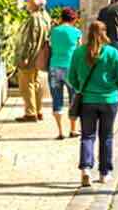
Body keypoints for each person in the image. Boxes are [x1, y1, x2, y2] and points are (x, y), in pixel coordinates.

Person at [66, 21, 118, 188]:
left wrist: (81, 88)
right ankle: (104, 173)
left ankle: (86, 169)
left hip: (87, 100)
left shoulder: (79, 52)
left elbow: (71, 77)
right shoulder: (112, 52)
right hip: (109, 100)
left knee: (87, 136)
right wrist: (114, 88)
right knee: (106, 136)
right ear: (104, 33)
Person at [13, 0, 51, 122]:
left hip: (31, 55)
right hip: (39, 56)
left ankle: (30, 113)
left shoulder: (34, 18)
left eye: (28, 1)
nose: (27, 3)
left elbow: (30, 39)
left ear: (35, 4)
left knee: (26, 83)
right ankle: (38, 110)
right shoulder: (46, 17)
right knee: (36, 83)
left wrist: (24, 56)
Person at [48, 8, 83, 139]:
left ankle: (60, 131)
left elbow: (51, 46)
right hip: (71, 68)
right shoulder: (76, 32)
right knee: (74, 99)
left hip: (54, 67)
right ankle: (73, 129)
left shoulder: (54, 31)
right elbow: (79, 51)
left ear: (62, 18)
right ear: (73, 19)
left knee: (57, 99)